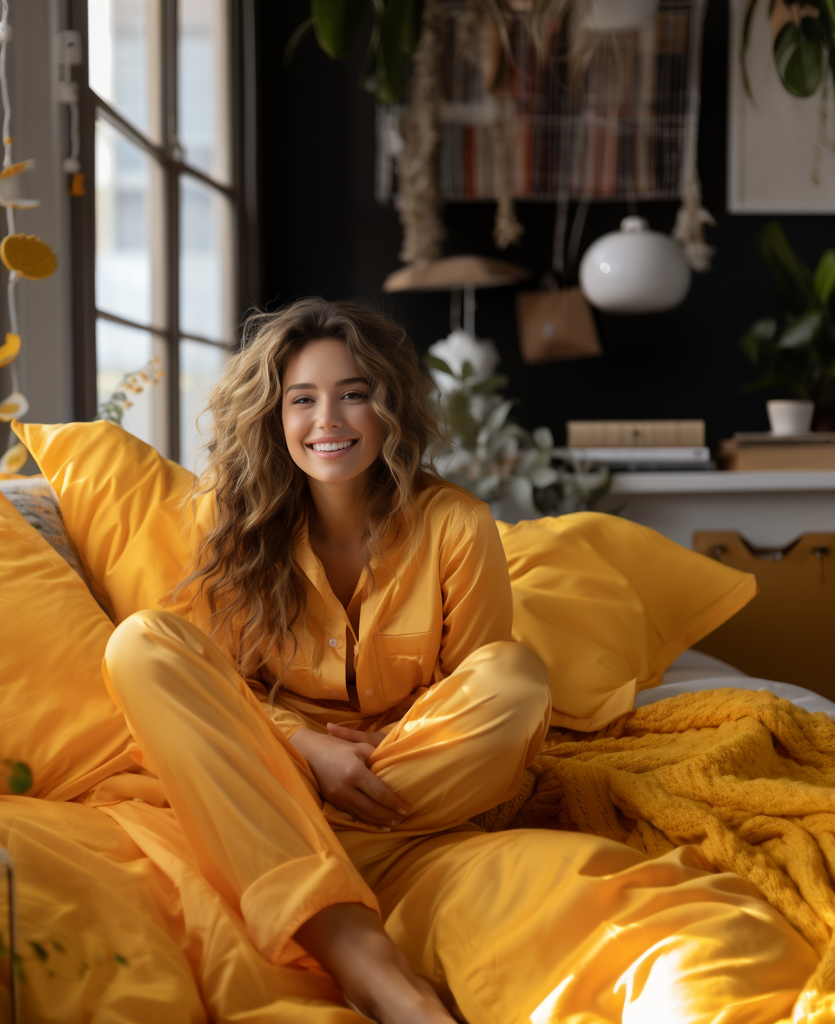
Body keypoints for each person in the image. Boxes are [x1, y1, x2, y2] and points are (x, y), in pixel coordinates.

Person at [103, 298, 817, 1024]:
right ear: (272, 416)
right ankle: (367, 962)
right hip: (289, 768)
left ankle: (280, 834)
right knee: (142, 643)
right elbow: (220, 691)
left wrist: (374, 754)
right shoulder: (231, 527)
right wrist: (306, 745)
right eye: (303, 400)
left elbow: (473, 691)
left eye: (354, 395)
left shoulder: (456, 524)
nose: (329, 421)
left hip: (415, 782)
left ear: (388, 408)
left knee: (515, 678)